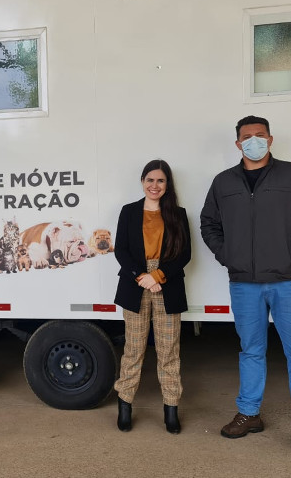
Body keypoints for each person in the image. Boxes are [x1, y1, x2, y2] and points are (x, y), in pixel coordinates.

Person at [200, 115, 291, 455]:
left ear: (270, 140)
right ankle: (249, 414)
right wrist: (226, 255)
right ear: (237, 144)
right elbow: (208, 223)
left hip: (288, 281)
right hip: (244, 283)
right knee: (251, 351)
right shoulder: (223, 182)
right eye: (247, 137)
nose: (254, 141)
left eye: (260, 135)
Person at [113, 159, 192, 434]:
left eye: (160, 180)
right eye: (150, 179)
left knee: (168, 351)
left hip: (166, 285)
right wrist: (142, 276)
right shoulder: (129, 212)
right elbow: (120, 250)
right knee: (133, 349)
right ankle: (125, 404)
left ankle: (171, 409)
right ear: (142, 181)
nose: (154, 185)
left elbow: (185, 255)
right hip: (135, 284)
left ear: (167, 184)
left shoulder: (178, 214)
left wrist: (157, 276)